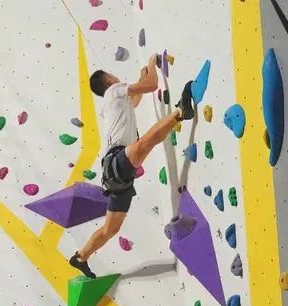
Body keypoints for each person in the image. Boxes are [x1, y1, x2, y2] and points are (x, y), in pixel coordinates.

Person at [69, 55, 196, 279]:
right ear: (110, 80)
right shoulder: (114, 90)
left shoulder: (112, 102)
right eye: (114, 76)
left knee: (110, 229)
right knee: (145, 143)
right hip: (116, 161)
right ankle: (180, 112)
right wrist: (151, 64)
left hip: (113, 173)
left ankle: (80, 257)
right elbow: (152, 85)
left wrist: (140, 77)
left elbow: (135, 100)